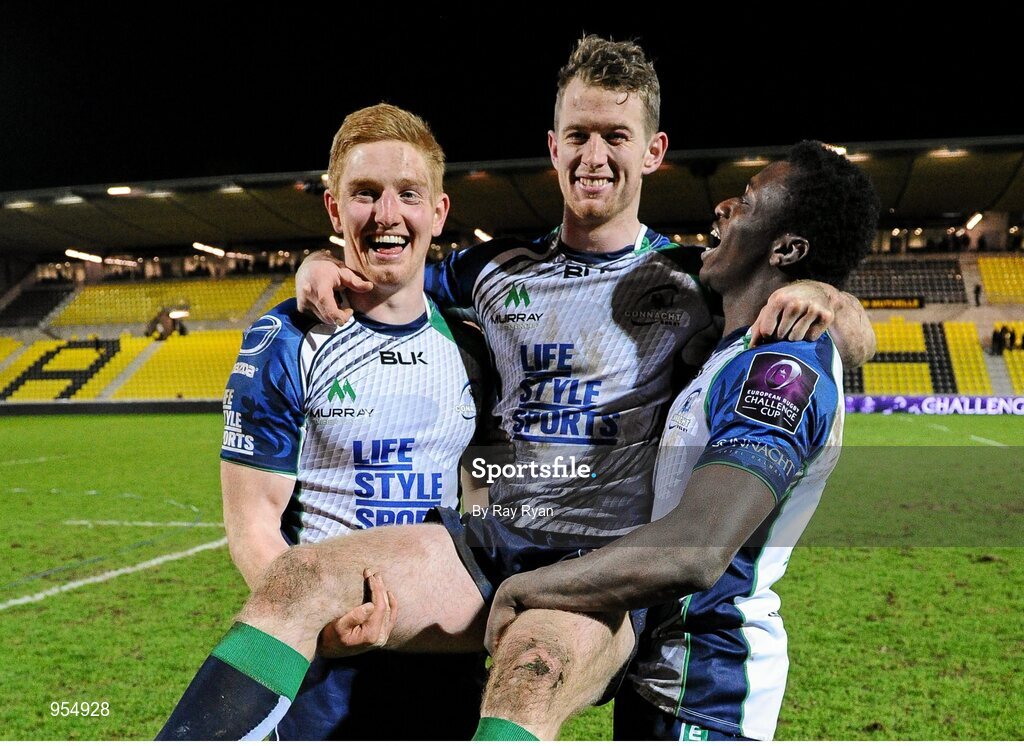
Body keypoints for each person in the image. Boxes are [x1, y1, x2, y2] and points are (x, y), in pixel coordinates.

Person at [157, 37, 875, 741]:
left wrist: (834, 299)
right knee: (296, 582)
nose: (594, 157)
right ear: (553, 147)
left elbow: (823, 343)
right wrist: (318, 259)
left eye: (615, 137)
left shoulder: (697, 278)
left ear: (652, 153)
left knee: (529, 676)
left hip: (601, 563)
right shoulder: (489, 271)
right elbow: (388, 271)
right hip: (487, 540)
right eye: (578, 136)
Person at [481, 141, 879, 740]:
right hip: (665, 677)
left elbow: (695, 551)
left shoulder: (778, 370)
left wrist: (527, 587)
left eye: (745, 202)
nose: (721, 208)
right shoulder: (730, 343)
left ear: (788, 248)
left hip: (708, 691)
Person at [216, 103, 493, 740]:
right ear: (335, 210)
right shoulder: (284, 340)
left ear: (440, 212)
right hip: (326, 675)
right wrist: (321, 626)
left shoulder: (477, 344)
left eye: (408, 195)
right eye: (365, 195)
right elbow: (252, 522)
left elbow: (486, 501)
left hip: (449, 663)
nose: (388, 216)